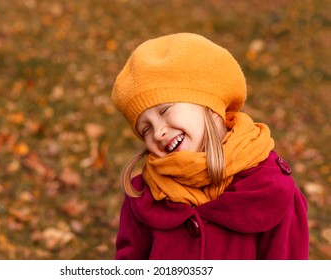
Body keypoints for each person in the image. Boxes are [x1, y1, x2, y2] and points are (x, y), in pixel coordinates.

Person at [111, 33, 309, 260]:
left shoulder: (270, 189)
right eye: (145, 129)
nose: (158, 132)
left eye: (165, 110)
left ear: (209, 105)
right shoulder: (144, 195)